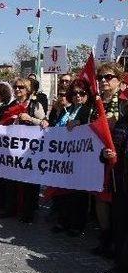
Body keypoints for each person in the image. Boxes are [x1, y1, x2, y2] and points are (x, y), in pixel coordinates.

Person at [46, 79, 95, 237]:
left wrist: (80, 122)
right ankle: (62, 220)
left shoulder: (88, 111)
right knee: (63, 191)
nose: (78, 96)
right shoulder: (67, 110)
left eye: (81, 93)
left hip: (79, 157)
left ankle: (77, 224)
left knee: (77, 193)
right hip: (63, 157)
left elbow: (93, 126)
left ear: (87, 95)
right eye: (74, 93)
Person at [92, 62, 128, 260]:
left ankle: (118, 242)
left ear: (118, 79)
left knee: (116, 201)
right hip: (96, 157)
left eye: (108, 77)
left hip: (119, 161)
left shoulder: (124, 103)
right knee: (100, 199)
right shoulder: (94, 103)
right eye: (100, 78)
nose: (104, 81)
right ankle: (105, 239)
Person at [0, 77, 46, 223]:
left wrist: (30, 118)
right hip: (13, 147)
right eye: (16, 87)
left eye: (21, 87)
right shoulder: (12, 104)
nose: (18, 89)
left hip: (29, 149)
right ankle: (10, 209)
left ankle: (28, 213)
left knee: (29, 182)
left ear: (28, 90)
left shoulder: (35, 105)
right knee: (11, 179)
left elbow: (45, 123)